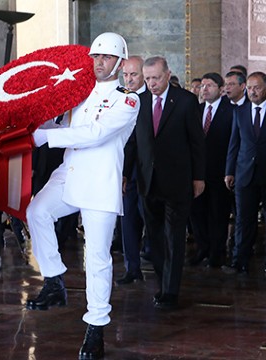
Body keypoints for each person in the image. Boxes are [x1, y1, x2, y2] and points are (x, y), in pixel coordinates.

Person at [24, 32, 139, 360]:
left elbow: (95, 133)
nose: (98, 62)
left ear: (119, 62)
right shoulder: (78, 90)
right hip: (70, 172)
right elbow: (57, 119)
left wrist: (45, 136)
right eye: (95, 57)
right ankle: (55, 280)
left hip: (100, 182)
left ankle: (96, 326)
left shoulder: (127, 99)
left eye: (105, 57)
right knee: (37, 212)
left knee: (97, 257)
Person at [124, 55, 205, 310]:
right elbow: (134, 143)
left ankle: (171, 290)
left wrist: (198, 177)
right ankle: (163, 281)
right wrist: (125, 173)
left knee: (173, 237)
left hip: (178, 181)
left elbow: (197, 143)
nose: (151, 83)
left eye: (156, 78)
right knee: (155, 238)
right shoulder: (139, 102)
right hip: (148, 182)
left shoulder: (186, 101)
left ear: (168, 74)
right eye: (147, 79)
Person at [224, 71, 266, 276]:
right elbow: (234, 143)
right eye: (250, 88)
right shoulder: (240, 111)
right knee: (244, 219)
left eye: (257, 87)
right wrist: (229, 171)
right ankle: (239, 261)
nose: (253, 92)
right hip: (245, 173)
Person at [188, 72, 235, 268]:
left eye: (210, 86)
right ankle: (202, 248)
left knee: (218, 214)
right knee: (197, 213)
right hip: (197, 173)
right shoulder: (195, 110)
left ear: (221, 89)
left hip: (220, 172)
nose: (204, 89)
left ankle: (217, 252)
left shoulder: (231, 111)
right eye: (202, 86)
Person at [116, 55, 148, 285]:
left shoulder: (153, 99)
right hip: (125, 173)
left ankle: (160, 265)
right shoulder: (119, 99)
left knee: (152, 221)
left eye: (133, 74)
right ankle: (132, 268)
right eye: (125, 75)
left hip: (149, 172)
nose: (129, 79)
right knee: (127, 222)